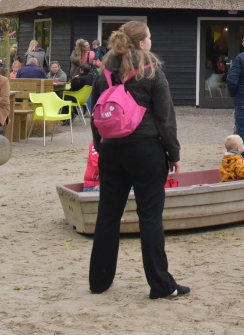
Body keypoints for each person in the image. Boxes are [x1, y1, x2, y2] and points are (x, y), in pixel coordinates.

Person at [88, 20, 188, 299]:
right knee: (150, 218)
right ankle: (160, 284)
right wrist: (174, 153)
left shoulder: (104, 73)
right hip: (146, 150)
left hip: (112, 150)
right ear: (142, 43)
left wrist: (101, 148)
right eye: (150, 37)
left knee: (108, 215)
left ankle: (99, 281)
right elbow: (165, 118)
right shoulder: (152, 71)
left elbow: (96, 116)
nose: (152, 41)